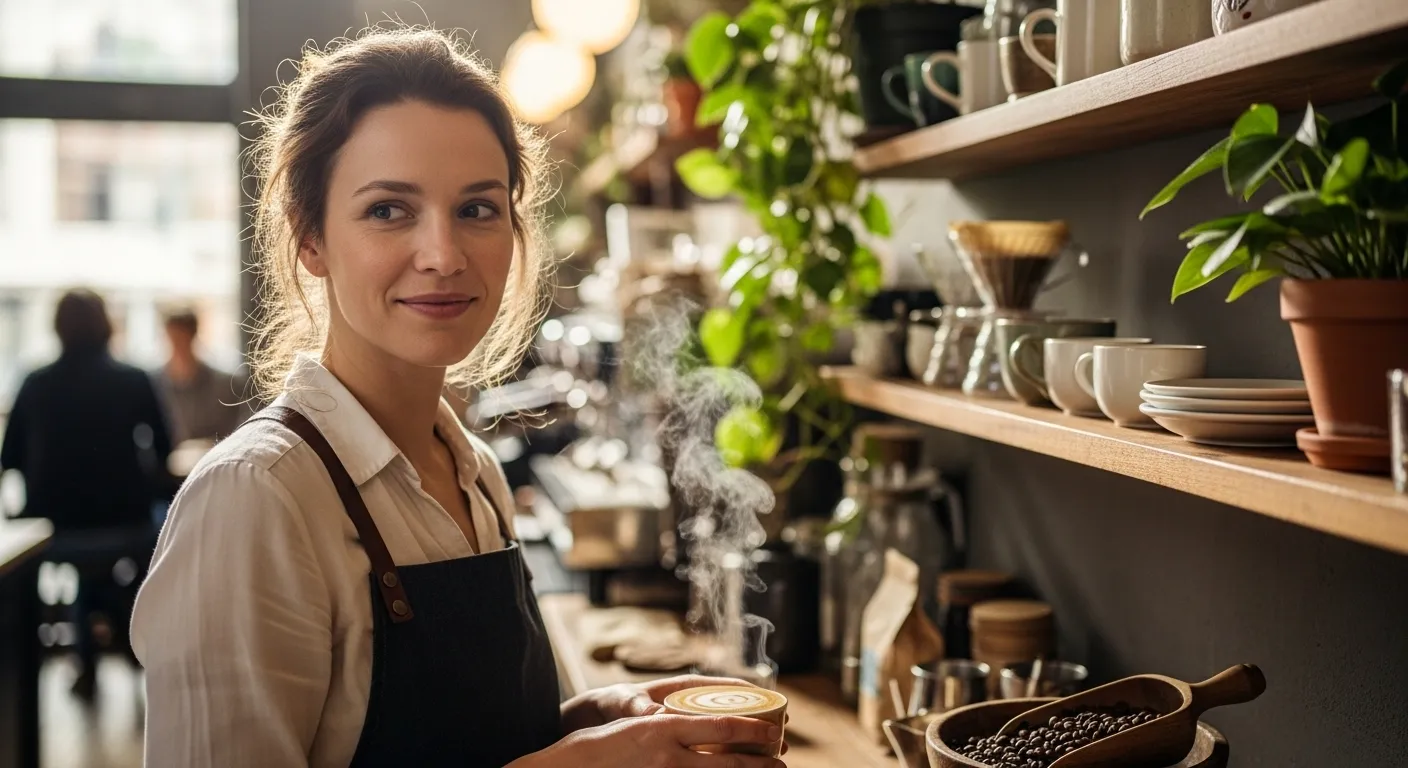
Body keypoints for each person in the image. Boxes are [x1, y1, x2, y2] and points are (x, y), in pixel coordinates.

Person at [131, 28, 785, 768]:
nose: (443, 255)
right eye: (388, 210)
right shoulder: (255, 499)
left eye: (477, 209)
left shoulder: (473, 469)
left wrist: (588, 724)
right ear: (309, 237)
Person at [1, 288, 172, 698]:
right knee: (128, 551)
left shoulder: (35, 383)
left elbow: (10, 459)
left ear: (57, 328)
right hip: (126, 524)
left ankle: (89, 654)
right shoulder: (133, 379)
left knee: (87, 569)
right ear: (106, 327)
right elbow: (164, 449)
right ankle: (121, 623)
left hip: (54, 532)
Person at [150, 306, 250, 444]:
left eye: (182, 338)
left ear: (193, 336)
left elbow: (233, 432)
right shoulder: (154, 384)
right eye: (173, 339)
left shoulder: (224, 386)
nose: (178, 346)